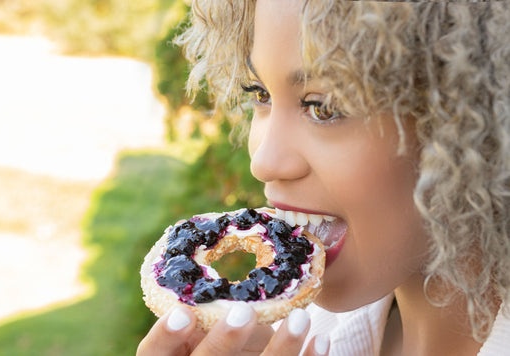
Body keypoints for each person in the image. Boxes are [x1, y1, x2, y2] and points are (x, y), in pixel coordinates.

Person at [137, 0, 510, 355]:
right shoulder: (303, 339)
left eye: (324, 107)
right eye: (260, 93)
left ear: (472, 119)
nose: (263, 162)